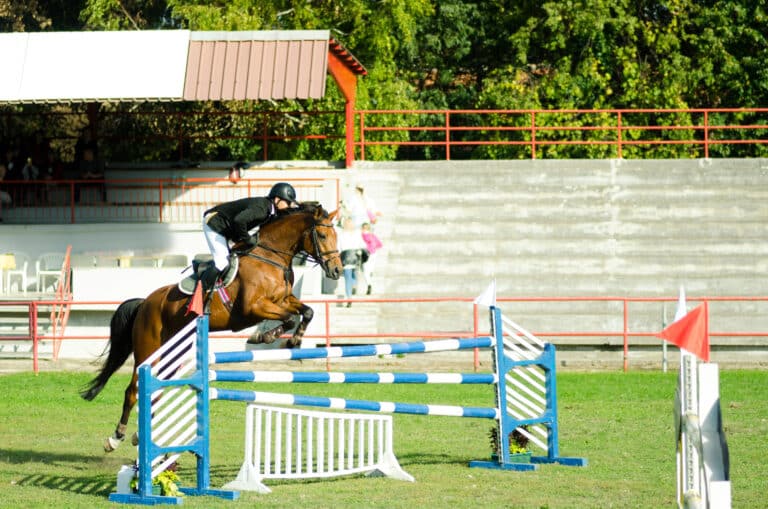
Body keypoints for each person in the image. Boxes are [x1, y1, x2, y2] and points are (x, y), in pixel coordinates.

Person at [200, 182, 298, 292]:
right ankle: (201, 294)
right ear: (277, 200)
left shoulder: (270, 211)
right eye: (288, 202)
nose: (289, 206)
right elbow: (239, 220)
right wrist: (247, 239)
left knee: (236, 260)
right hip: (215, 223)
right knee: (222, 263)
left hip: (228, 228)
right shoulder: (262, 209)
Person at [336, 217, 367, 307]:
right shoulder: (357, 234)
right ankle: (353, 286)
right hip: (355, 256)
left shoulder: (341, 235)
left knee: (347, 278)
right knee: (354, 274)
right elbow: (363, 245)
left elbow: (338, 248)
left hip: (346, 256)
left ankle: (349, 296)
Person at [360, 222, 383, 295]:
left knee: (365, 271)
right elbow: (380, 244)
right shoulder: (372, 235)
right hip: (374, 253)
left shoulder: (362, 236)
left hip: (366, 254)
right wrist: (373, 247)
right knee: (369, 271)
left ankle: (369, 284)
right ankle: (370, 281)